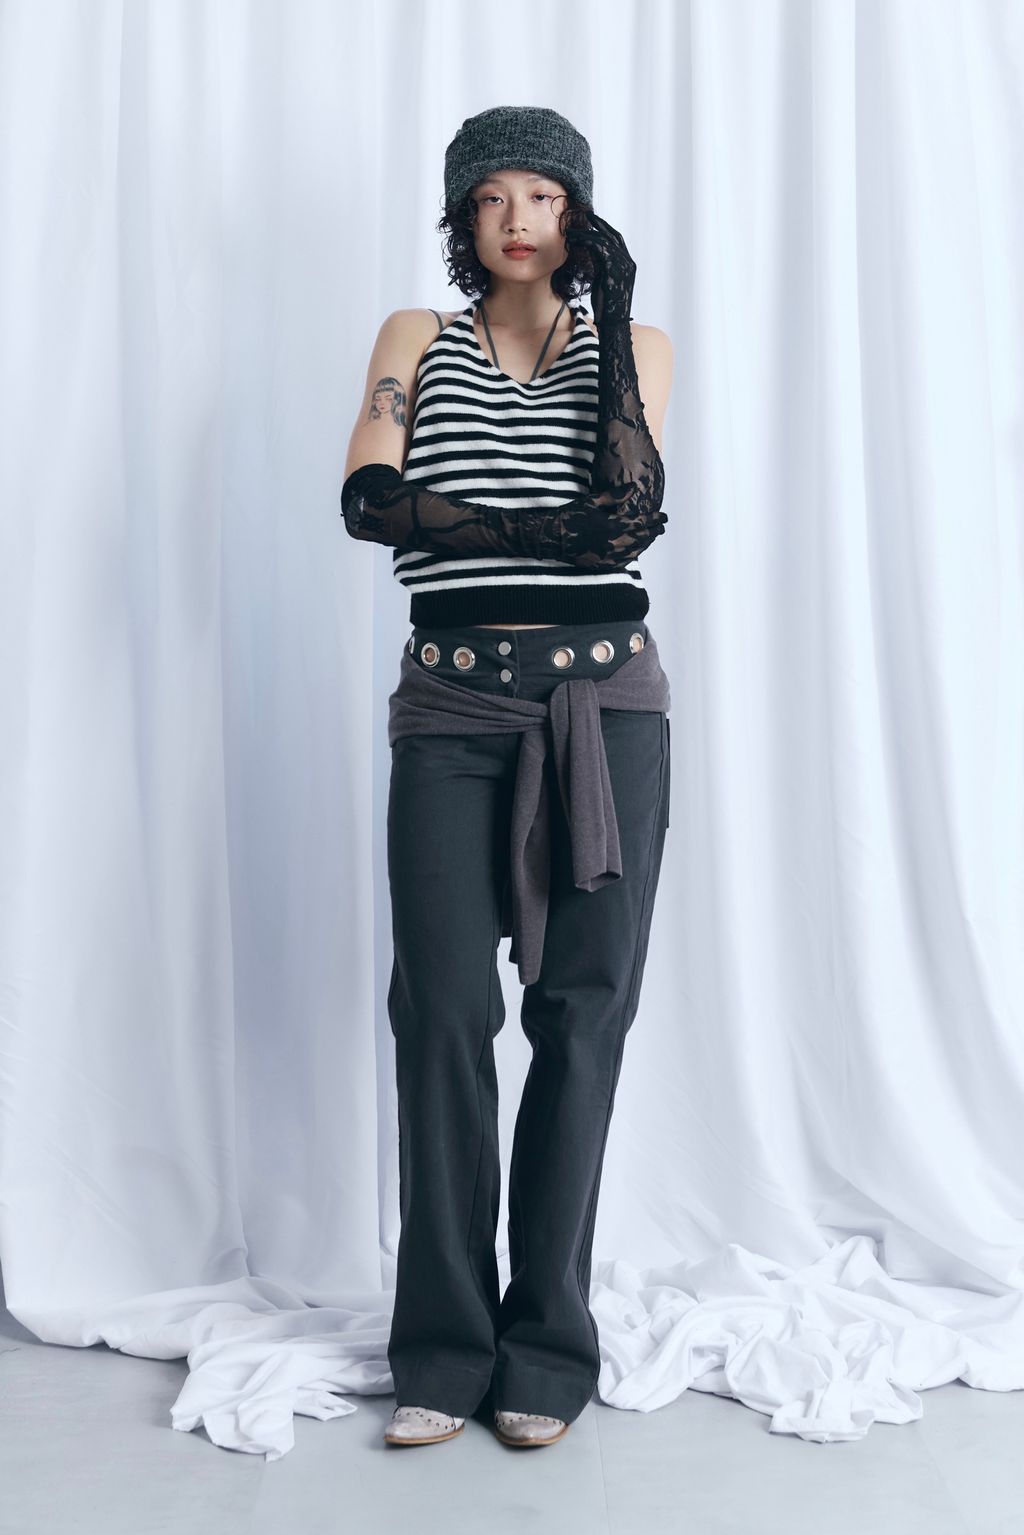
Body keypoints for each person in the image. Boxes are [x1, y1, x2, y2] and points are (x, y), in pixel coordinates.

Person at [340, 105, 674, 1449]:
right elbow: (370, 504)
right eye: (492, 198)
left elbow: (629, 515)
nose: (518, 220)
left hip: (606, 706)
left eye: (543, 196)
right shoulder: (414, 340)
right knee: (440, 1012)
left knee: (582, 1016)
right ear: (461, 218)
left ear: (576, 216)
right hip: (451, 706)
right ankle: (441, 1347)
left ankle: (547, 1349)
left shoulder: (632, 347)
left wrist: (615, 306)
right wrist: (548, 531)